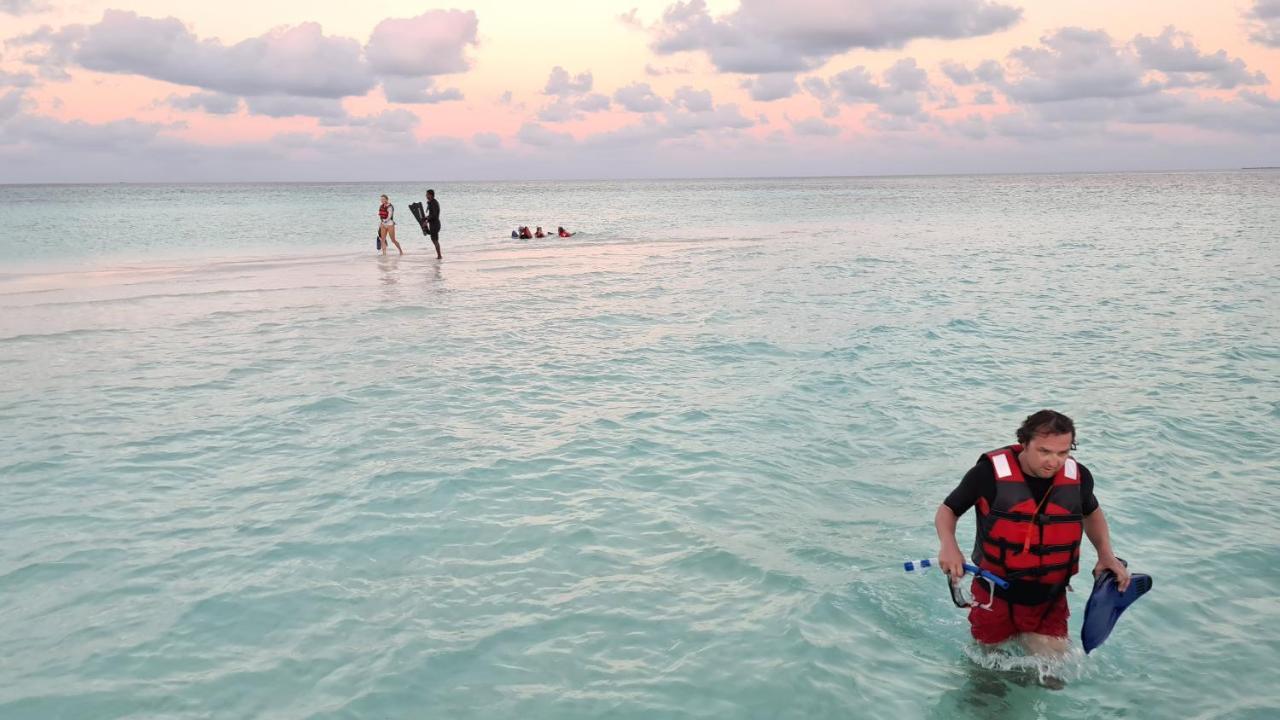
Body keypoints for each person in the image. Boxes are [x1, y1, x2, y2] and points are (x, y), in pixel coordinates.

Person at [935, 410, 1130, 657]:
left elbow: (1091, 513)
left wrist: (1106, 554)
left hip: (1049, 600)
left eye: (1063, 452)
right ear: (1024, 443)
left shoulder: (1078, 477)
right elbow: (948, 510)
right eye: (1044, 451)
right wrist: (949, 545)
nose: (1054, 461)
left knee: (1052, 678)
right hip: (995, 596)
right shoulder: (987, 475)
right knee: (987, 681)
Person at [425, 189, 442, 259]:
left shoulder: (434, 203)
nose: (426, 195)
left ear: (430, 195)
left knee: (434, 239)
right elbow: (431, 214)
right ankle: (439, 255)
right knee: (434, 239)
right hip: (433, 224)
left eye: (427, 194)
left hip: (435, 224)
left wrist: (427, 220)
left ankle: (439, 256)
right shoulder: (431, 202)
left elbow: (434, 215)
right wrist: (426, 218)